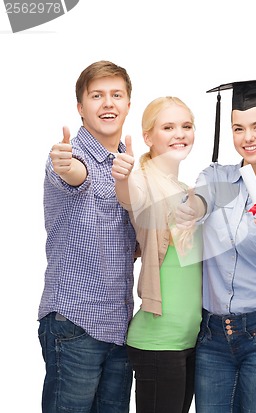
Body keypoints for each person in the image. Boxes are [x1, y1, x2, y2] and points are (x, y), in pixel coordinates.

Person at [176, 77, 256, 413]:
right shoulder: (217, 177)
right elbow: (196, 203)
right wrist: (191, 210)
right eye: (238, 128)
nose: (247, 138)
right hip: (213, 336)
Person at [38, 60, 136, 413]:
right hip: (74, 323)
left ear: (128, 103)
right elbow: (73, 174)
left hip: (120, 327)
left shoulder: (128, 162)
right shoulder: (69, 154)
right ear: (81, 107)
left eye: (116, 95)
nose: (108, 103)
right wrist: (68, 167)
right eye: (97, 96)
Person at [111, 96, 202, 413]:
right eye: (168, 127)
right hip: (158, 342)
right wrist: (123, 176)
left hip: (190, 340)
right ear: (148, 136)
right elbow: (130, 196)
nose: (180, 133)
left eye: (186, 126)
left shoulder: (186, 188)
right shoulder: (142, 179)